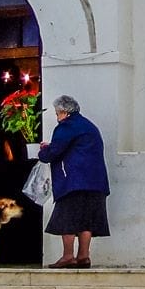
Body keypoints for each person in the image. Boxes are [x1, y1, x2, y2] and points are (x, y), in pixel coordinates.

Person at [38, 95, 110, 268]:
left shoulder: (67, 126)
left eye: (57, 113)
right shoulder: (89, 126)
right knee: (87, 219)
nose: (57, 117)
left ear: (64, 112)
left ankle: (68, 255)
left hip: (74, 182)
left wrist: (43, 152)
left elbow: (55, 151)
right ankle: (84, 256)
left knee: (67, 219)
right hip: (96, 182)